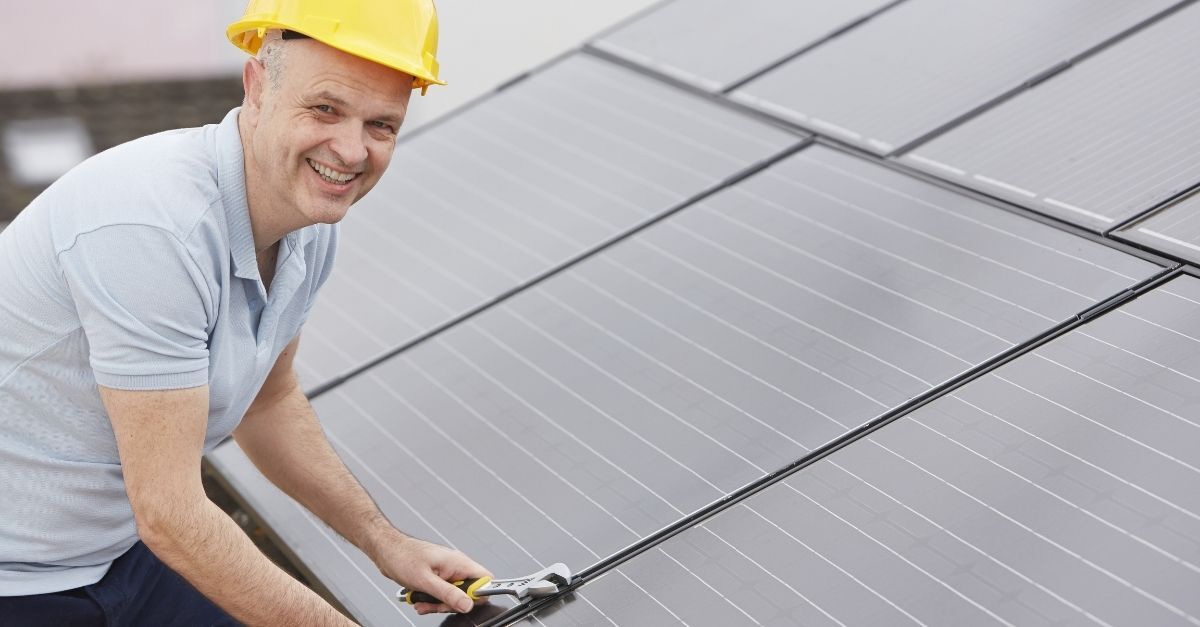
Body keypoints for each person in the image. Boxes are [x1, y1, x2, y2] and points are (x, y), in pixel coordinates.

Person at [0, 1, 491, 624]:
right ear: (257, 86)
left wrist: (386, 543)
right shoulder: (152, 227)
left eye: (382, 125)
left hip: (119, 552)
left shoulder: (307, 223)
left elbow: (269, 401)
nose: (350, 150)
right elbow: (170, 513)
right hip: (17, 578)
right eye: (325, 108)